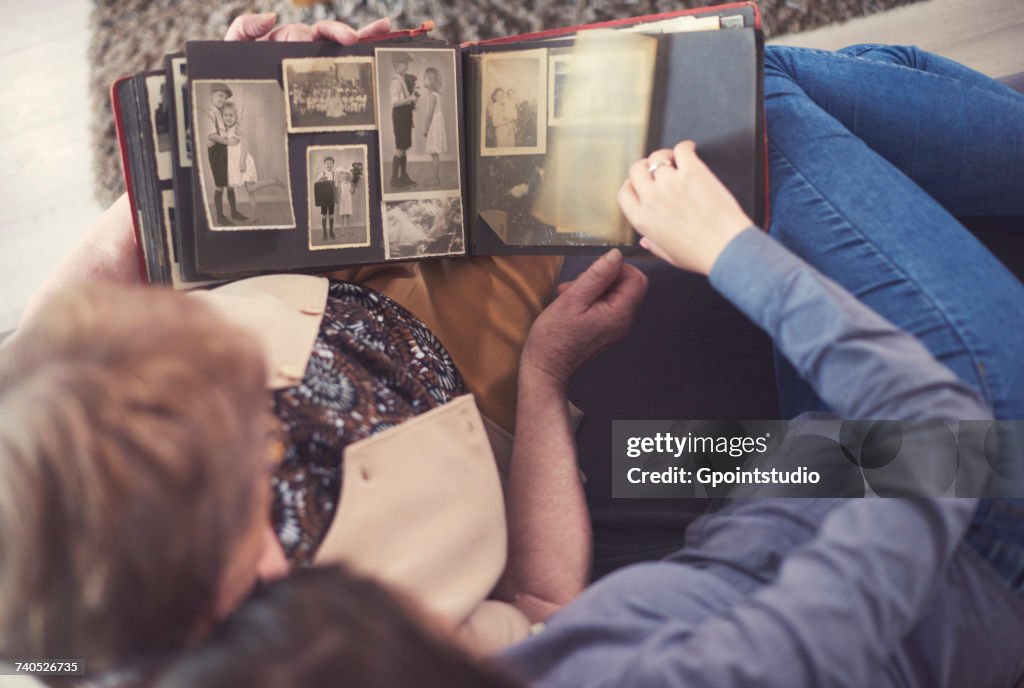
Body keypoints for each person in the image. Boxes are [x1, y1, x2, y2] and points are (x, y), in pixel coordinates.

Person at [158, 43, 1024, 688]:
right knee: (738, 102)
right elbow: (930, 429)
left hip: (784, 486)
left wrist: (544, 374)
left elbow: (542, 608)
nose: (277, 559)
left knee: (779, 89)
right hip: (970, 500)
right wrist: (730, 250)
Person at [222, 101, 285, 224]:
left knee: (250, 189)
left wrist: (241, 161)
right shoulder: (225, 130)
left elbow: (244, 146)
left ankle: (273, 181)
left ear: (236, 117)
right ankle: (254, 216)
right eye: (226, 115)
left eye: (231, 115)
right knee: (250, 191)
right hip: (235, 162)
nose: (228, 118)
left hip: (244, 160)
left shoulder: (237, 129)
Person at [203, 82, 246, 225]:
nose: (223, 99)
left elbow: (226, 128)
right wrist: (228, 142)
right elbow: (211, 136)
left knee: (230, 183)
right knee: (220, 184)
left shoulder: (220, 112)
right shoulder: (211, 111)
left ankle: (234, 212)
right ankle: (220, 216)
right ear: (212, 95)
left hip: (224, 150)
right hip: (217, 151)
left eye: (225, 97)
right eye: (220, 95)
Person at [390, 51, 419, 189]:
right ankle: (394, 179)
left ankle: (403, 176)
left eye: (407, 63)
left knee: (404, 148)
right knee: (400, 148)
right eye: (404, 63)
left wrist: (412, 101)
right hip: (400, 115)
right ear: (396, 65)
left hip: (405, 115)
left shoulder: (402, 79)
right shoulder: (395, 82)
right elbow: (395, 103)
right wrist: (410, 99)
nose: (406, 66)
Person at [422, 66, 447, 186]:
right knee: (434, 153)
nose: (423, 80)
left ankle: (436, 178)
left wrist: (426, 129)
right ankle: (435, 177)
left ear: (431, 81)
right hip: (436, 124)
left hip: (434, 126)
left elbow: (430, 115)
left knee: (434, 152)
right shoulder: (434, 94)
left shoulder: (432, 96)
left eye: (425, 78)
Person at [313, 155, 339, 239]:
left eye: (331, 163)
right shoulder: (322, 173)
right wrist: (321, 179)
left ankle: (331, 231)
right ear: (325, 164)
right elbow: (315, 182)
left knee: (331, 215)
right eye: (327, 163)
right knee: (324, 215)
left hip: (331, 198)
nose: (329, 165)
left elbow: (336, 186)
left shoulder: (334, 174)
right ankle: (324, 233)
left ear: (333, 164)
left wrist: (336, 197)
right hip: (324, 198)